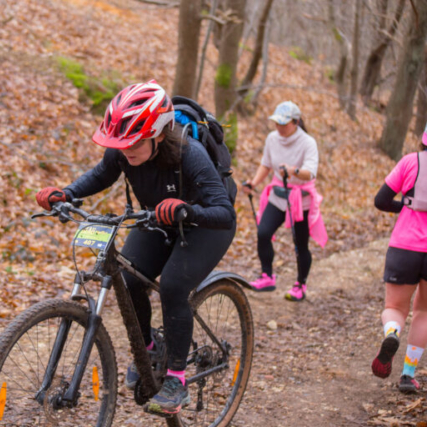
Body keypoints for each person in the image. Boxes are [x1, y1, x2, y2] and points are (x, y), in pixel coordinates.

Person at [35, 80, 236, 416]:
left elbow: (224, 213)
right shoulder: (123, 150)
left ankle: (176, 380)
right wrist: (67, 193)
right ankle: (150, 349)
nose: (126, 151)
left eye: (135, 143)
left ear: (158, 134)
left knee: (173, 285)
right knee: (128, 280)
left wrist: (187, 210)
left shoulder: (190, 154)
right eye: (121, 144)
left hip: (205, 224)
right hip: (158, 218)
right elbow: (102, 174)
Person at [242, 101, 327, 301]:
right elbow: (266, 165)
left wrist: (293, 171)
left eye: (283, 123)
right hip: (278, 196)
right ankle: (267, 276)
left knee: (300, 244)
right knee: (263, 233)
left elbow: (310, 172)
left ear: (295, 122)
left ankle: (300, 284)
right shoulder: (272, 138)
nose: (279, 127)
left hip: (300, 200)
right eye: (277, 123)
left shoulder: (308, 142)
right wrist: (253, 183)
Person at [371, 124, 427, 393]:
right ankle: (408, 374)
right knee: (424, 312)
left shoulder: (409, 162)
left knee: (395, 307)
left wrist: (405, 207)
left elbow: (381, 200)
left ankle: (392, 332)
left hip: (404, 246)